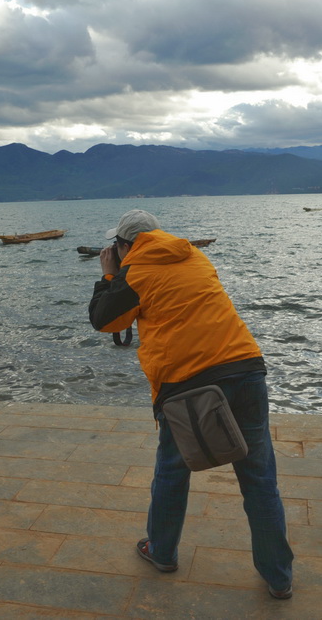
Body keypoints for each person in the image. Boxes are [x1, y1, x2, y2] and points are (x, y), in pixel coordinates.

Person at [89, 210, 294, 600]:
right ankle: (279, 576)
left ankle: (162, 552)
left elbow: (105, 322)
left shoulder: (133, 275)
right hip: (247, 369)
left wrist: (110, 275)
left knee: (172, 471)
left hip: (187, 383)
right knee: (259, 478)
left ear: (125, 245)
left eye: (117, 245)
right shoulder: (195, 256)